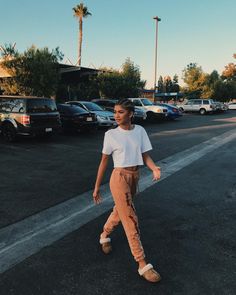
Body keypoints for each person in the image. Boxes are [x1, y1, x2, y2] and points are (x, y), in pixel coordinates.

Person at [92, 98, 161, 283]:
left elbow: (145, 156)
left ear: (130, 114)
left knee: (120, 211)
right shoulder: (111, 135)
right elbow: (104, 162)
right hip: (119, 178)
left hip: (134, 176)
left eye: (120, 112)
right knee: (130, 218)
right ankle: (142, 263)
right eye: (114, 112)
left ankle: (104, 235)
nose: (116, 115)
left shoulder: (140, 131)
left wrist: (154, 168)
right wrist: (97, 186)